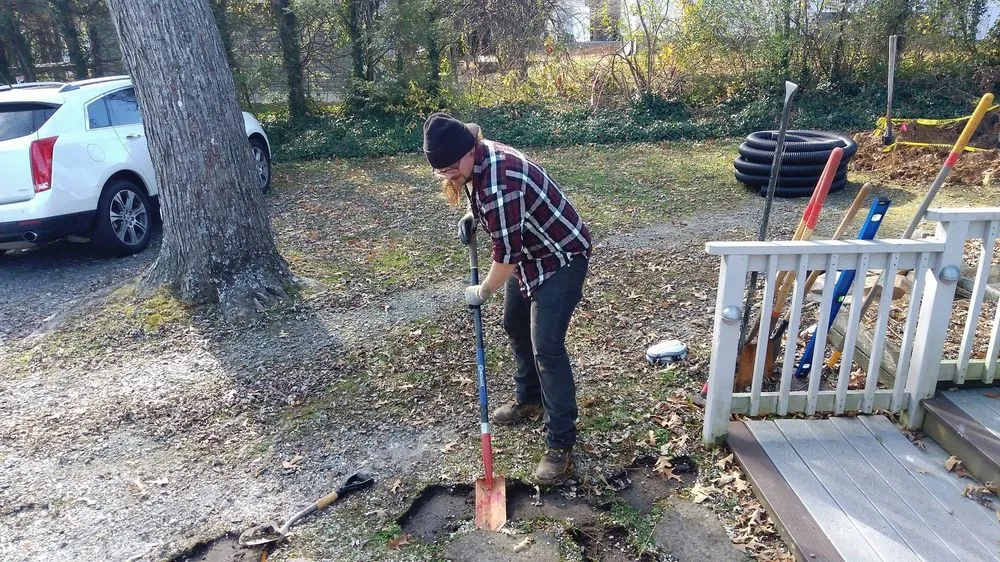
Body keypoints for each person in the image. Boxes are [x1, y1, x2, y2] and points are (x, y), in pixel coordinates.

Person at [422, 112, 592, 484]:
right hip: (532, 255)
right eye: (440, 171)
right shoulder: (476, 163)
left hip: (561, 257)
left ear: (470, 150)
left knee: (546, 346)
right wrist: (471, 214)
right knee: (514, 323)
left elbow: (505, 257)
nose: (448, 175)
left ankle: (561, 443)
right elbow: (491, 212)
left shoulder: (500, 181)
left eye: (451, 167)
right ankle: (529, 399)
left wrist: (482, 291)